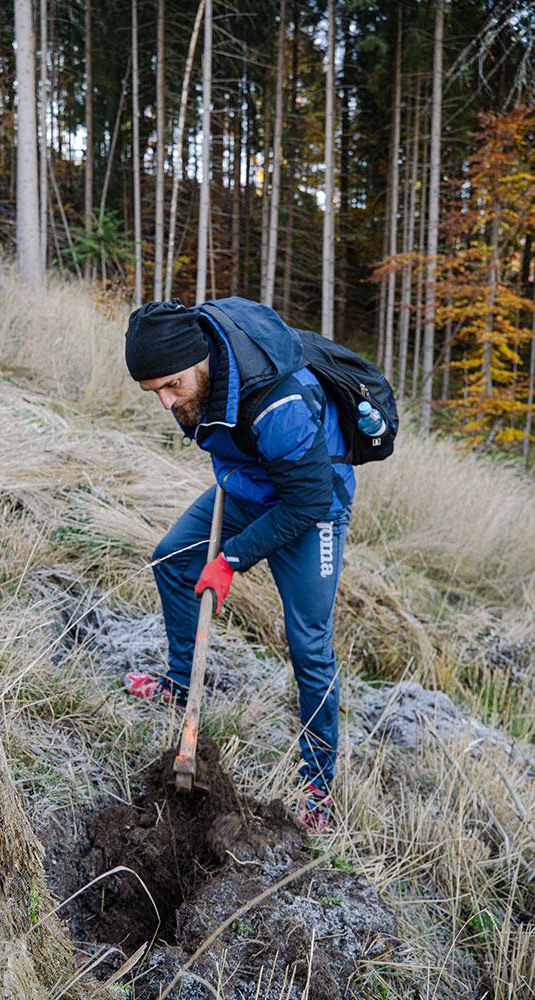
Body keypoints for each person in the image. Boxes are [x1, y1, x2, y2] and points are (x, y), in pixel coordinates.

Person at [122, 297, 356, 830]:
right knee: (173, 560)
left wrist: (231, 558)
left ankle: (317, 785)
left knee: (309, 644)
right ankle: (181, 683)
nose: (164, 402)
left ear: (200, 360)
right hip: (249, 484)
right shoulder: (196, 379)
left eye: (171, 386)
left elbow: (307, 501)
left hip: (310, 503)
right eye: (152, 391)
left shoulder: (279, 403)